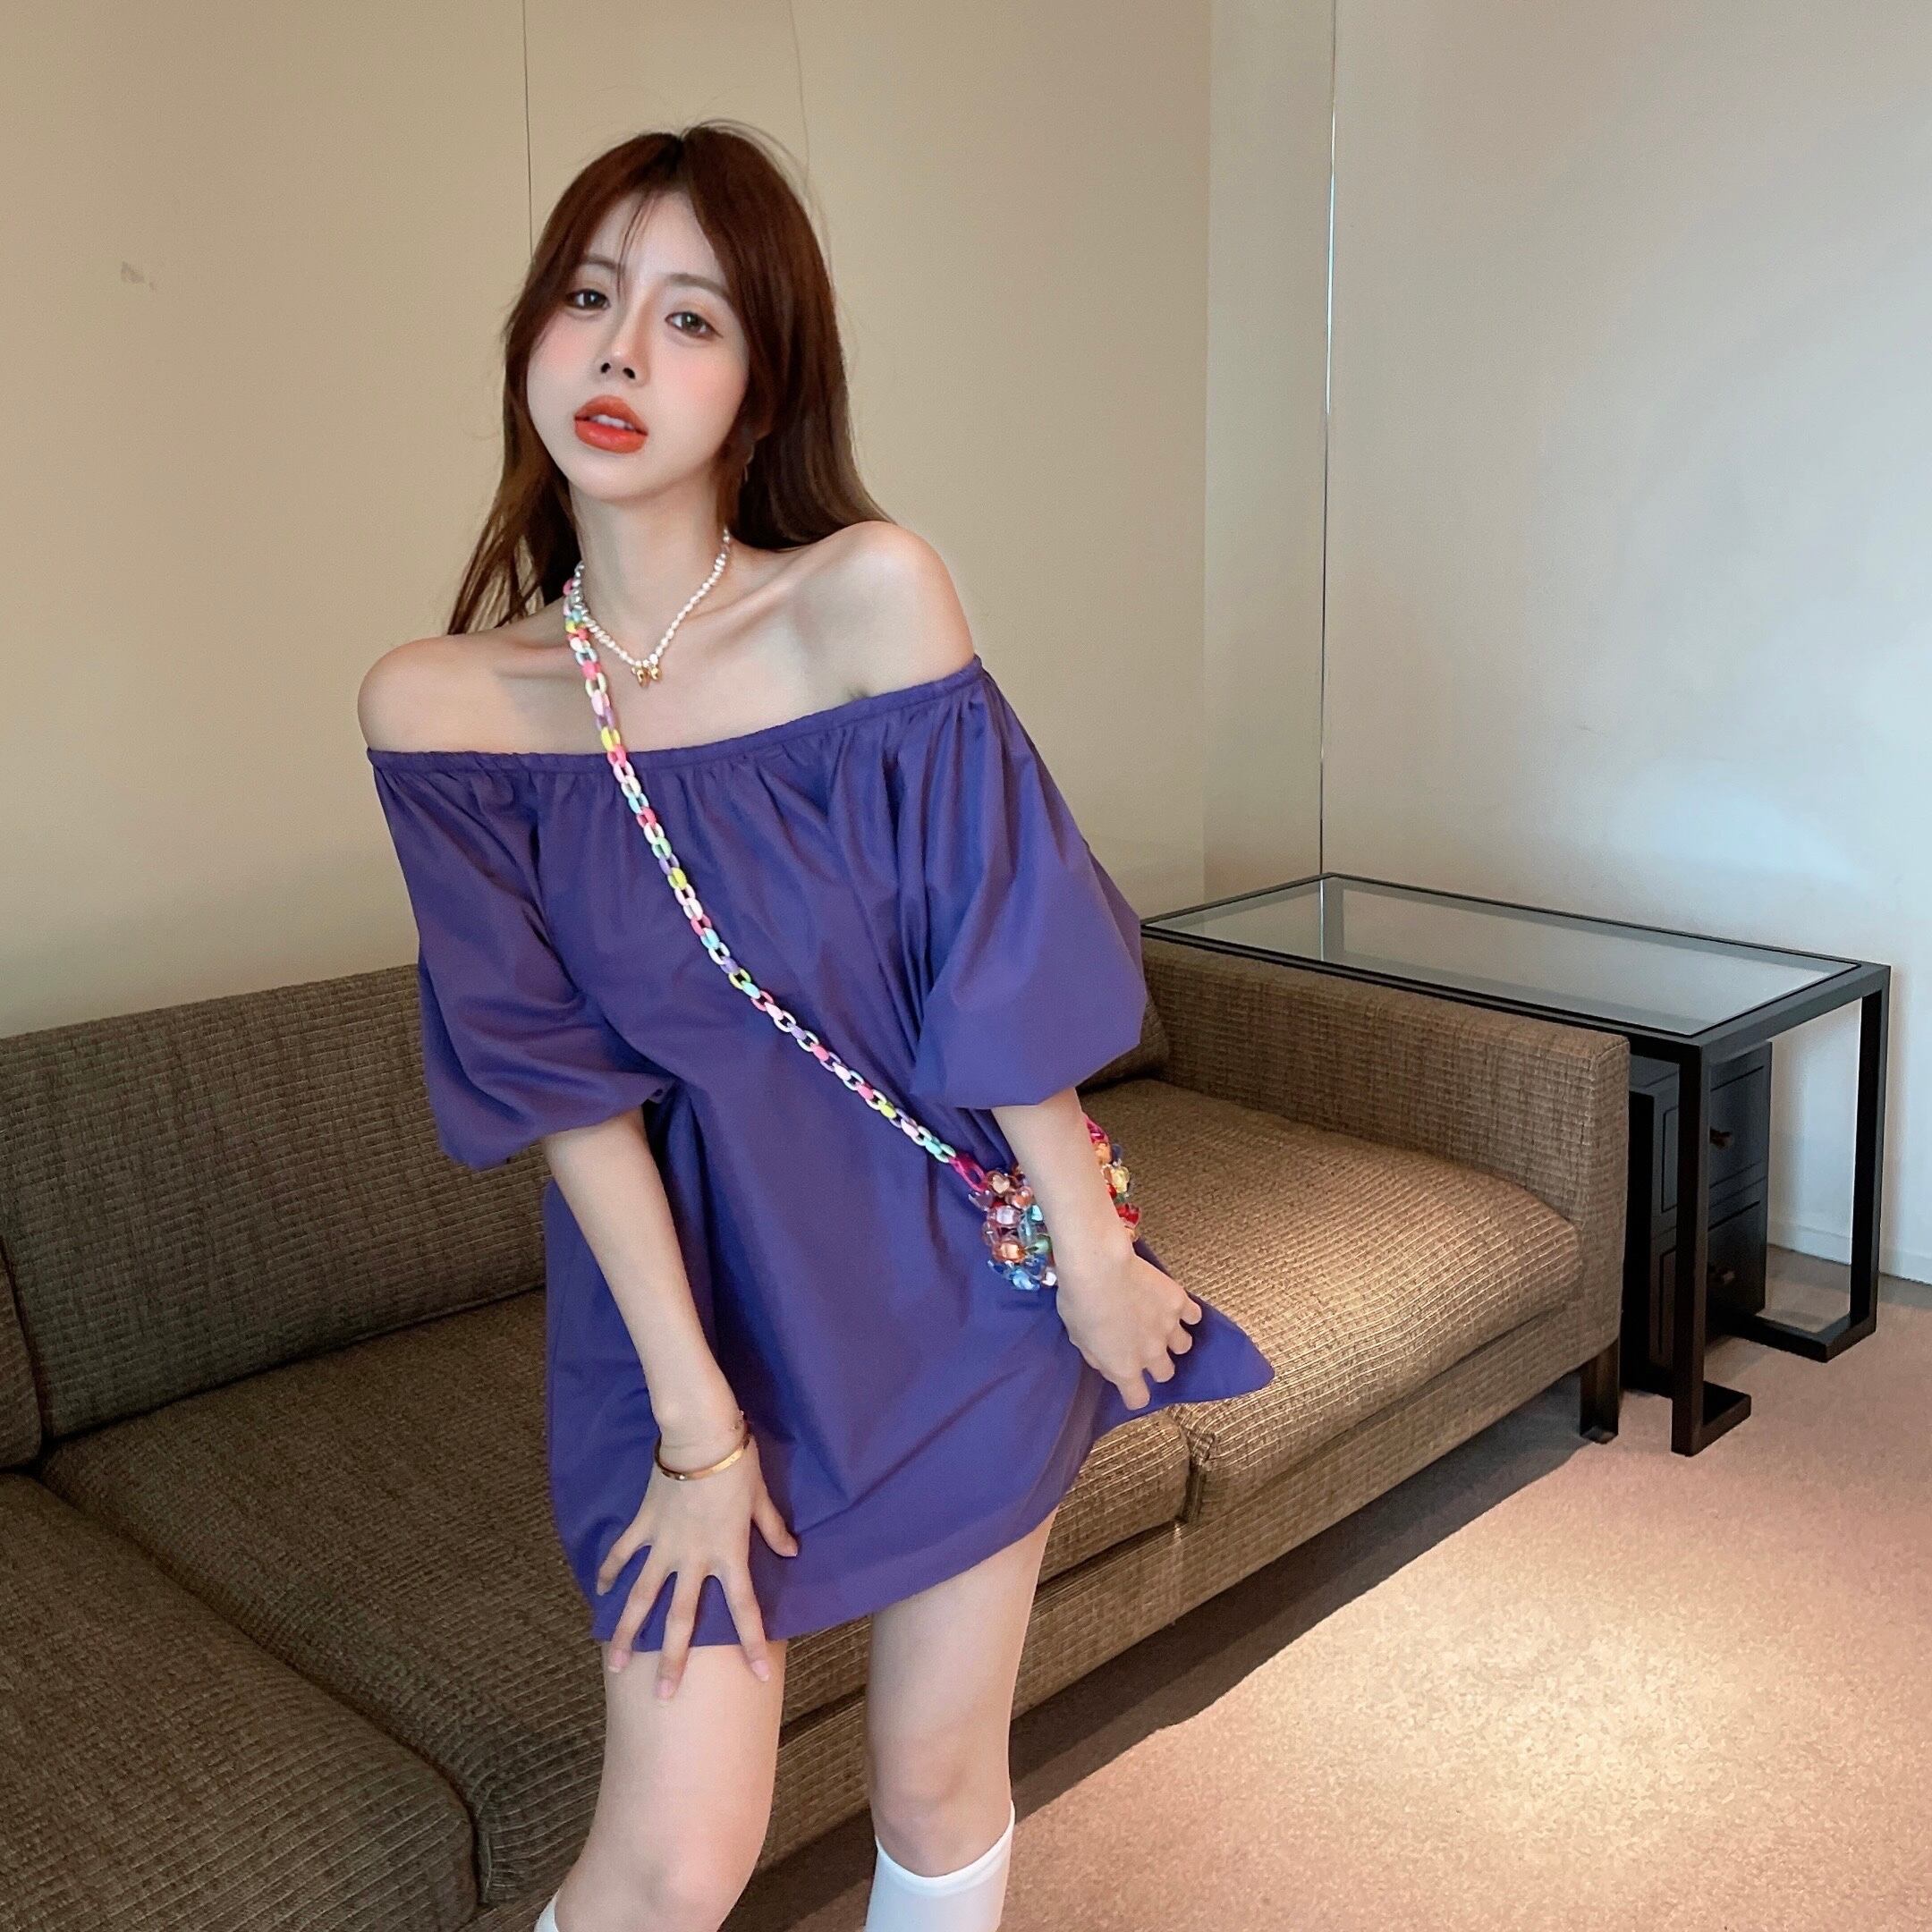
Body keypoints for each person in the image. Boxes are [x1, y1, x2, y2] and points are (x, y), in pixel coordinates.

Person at [358, 121, 1274, 1932]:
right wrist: (695, 1424)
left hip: (951, 1288)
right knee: (672, 1862)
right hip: (685, 1320)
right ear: (531, 335)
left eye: (692, 318)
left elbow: (989, 952)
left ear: (763, 385)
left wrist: (1093, 1254)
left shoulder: (866, 601)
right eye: (590, 296)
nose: (624, 352)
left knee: (934, 1779)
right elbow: (560, 1091)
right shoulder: (442, 706)